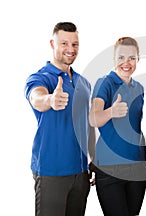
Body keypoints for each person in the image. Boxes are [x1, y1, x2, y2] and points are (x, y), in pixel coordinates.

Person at [24, 22, 93, 216]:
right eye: (64, 43)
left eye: (75, 44)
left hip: (80, 174)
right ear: (52, 44)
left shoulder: (84, 82)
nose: (70, 49)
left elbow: (87, 124)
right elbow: (36, 97)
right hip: (51, 172)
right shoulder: (41, 77)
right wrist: (50, 100)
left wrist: (93, 158)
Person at [89, 36, 146, 216]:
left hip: (137, 168)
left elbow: (137, 129)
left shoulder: (139, 88)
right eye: (121, 57)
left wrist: (144, 164)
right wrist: (110, 112)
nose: (126, 63)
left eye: (131, 58)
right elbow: (93, 118)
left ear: (138, 59)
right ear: (114, 59)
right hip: (110, 169)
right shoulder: (105, 83)